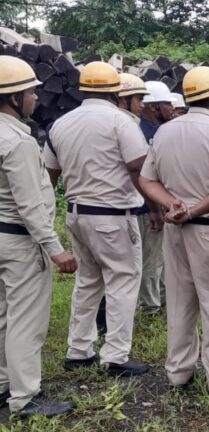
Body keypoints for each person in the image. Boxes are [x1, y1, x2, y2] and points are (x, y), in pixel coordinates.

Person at [45, 61, 151, 377]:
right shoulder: (121, 122)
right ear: (116, 91)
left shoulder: (61, 123)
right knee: (122, 281)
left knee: (88, 282)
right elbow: (138, 167)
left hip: (77, 214)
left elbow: (49, 174)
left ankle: (78, 350)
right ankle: (116, 356)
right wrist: (155, 207)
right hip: (114, 215)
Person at [138, 66, 209, 391]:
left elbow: (146, 179)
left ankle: (178, 371)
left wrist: (171, 204)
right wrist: (190, 210)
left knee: (179, 301)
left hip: (174, 230)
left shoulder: (164, 131)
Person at [0, 55, 77, 418]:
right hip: (19, 242)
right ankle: (26, 397)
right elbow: (30, 204)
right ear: (13, 98)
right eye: (29, 92)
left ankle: (4, 386)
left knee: (2, 317)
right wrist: (55, 249)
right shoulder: (18, 142)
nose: (35, 98)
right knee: (26, 322)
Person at [138, 81, 178, 314]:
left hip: (157, 202)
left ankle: (162, 299)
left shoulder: (158, 131)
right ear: (154, 107)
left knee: (160, 257)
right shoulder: (146, 132)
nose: (171, 108)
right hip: (147, 205)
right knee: (151, 258)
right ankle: (150, 306)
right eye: (167, 104)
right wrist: (155, 207)